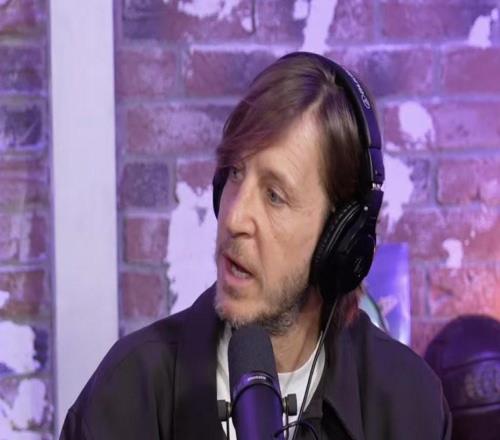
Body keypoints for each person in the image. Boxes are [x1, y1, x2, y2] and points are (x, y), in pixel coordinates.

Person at [60, 52, 451, 439]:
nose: (233, 219)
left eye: (274, 196)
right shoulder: (127, 393)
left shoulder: (409, 405)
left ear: (339, 237)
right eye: (235, 173)